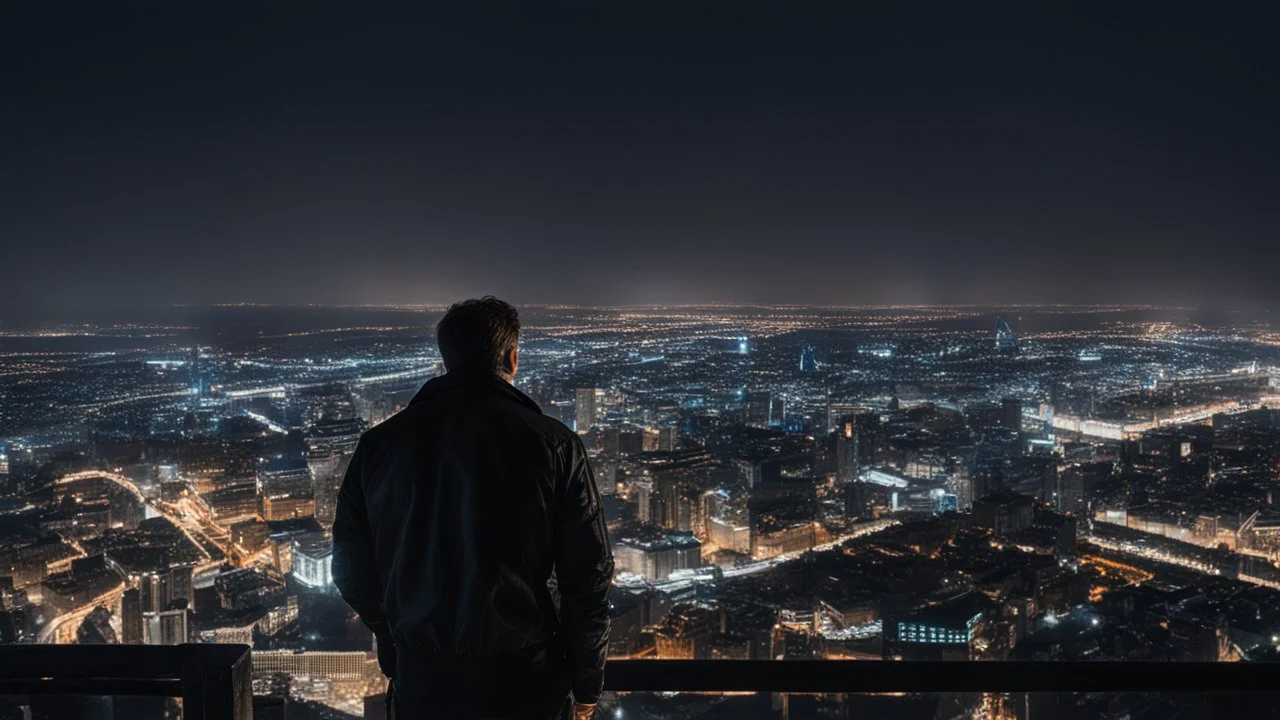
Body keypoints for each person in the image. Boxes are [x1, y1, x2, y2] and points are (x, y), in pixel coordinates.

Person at [333, 297, 614, 719]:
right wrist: (587, 684)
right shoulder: (554, 444)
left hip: (423, 682)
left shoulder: (380, 446)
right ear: (512, 357)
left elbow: (350, 568)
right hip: (524, 683)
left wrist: (396, 635)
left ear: (447, 357)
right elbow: (587, 577)